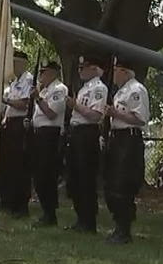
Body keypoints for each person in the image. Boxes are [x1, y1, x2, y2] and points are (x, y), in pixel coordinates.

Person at [103, 58, 148, 244]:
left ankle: (124, 230)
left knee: (123, 183)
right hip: (117, 138)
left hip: (128, 140)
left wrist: (115, 113)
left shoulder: (136, 90)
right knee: (112, 183)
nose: (113, 75)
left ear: (124, 71)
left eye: (116, 71)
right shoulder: (121, 91)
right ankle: (118, 225)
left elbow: (140, 119)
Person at [65, 55, 108, 233]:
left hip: (87, 134)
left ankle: (88, 221)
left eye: (83, 68)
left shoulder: (99, 88)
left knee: (85, 178)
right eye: (79, 68)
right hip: (76, 133)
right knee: (74, 178)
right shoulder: (84, 89)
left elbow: (95, 115)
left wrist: (75, 105)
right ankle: (80, 217)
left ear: (93, 69)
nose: (80, 71)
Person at [0, 50, 34, 217]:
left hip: (20, 125)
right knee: (8, 165)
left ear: (22, 63)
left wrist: (4, 100)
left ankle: (20, 204)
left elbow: (23, 104)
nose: (13, 66)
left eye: (15, 63)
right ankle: (8, 200)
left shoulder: (28, 80)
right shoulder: (14, 82)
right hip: (9, 124)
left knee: (19, 166)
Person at [30, 60, 69, 226]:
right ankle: (45, 210)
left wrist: (38, 98)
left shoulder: (59, 89)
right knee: (39, 174)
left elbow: (51, 113)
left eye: (43, 73)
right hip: (38, 134)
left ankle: (50, 213)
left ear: (53, 73)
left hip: (50, 135)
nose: (40, 76)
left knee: (47, 174)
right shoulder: (45, 91)